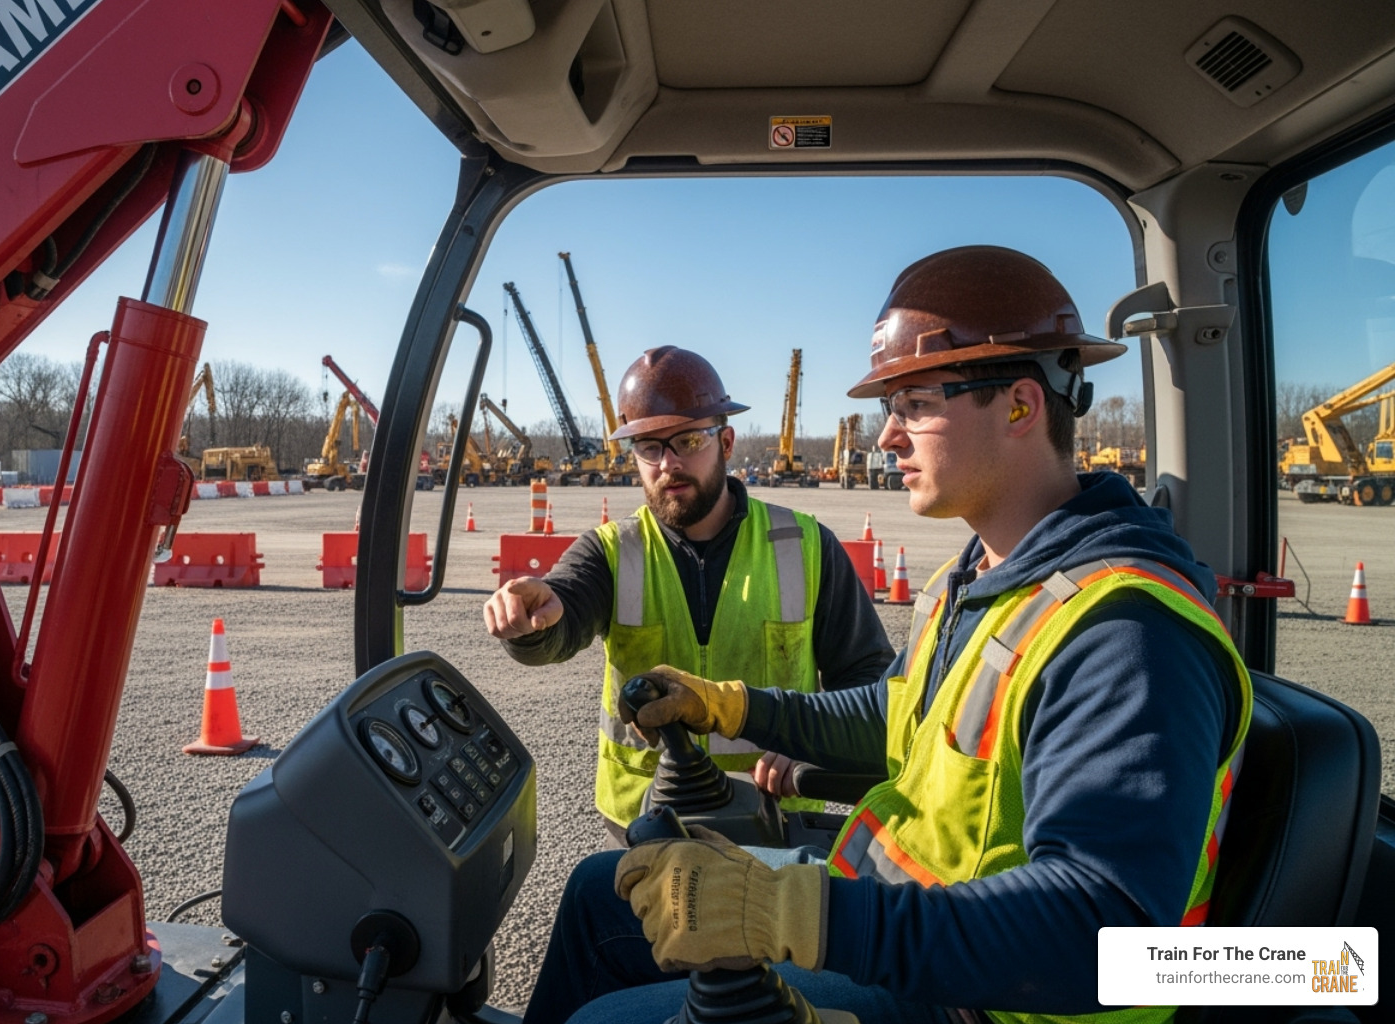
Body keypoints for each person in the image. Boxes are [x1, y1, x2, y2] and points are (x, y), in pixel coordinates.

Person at [521, 247, 1253, 1024]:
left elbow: (1103, 933)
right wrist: (734, 707)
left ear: (1019, 405)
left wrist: (799, 916)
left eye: (913, 405)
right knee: (603, 890)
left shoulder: (1125, 635)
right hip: (905, 905)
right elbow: (899, 714)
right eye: (887, 411)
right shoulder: (982, 578)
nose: (886, 439)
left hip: (981, 998)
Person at [484, 346, 892, 840]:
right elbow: (562, 614)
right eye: (649, 448)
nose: (667, 463)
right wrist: (531, 622)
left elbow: (869, 680)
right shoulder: (613, 550)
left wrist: (814, 743)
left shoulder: (804, 545)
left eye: (687, 440)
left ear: (726, 441)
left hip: (772, 818)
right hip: (645, 823)